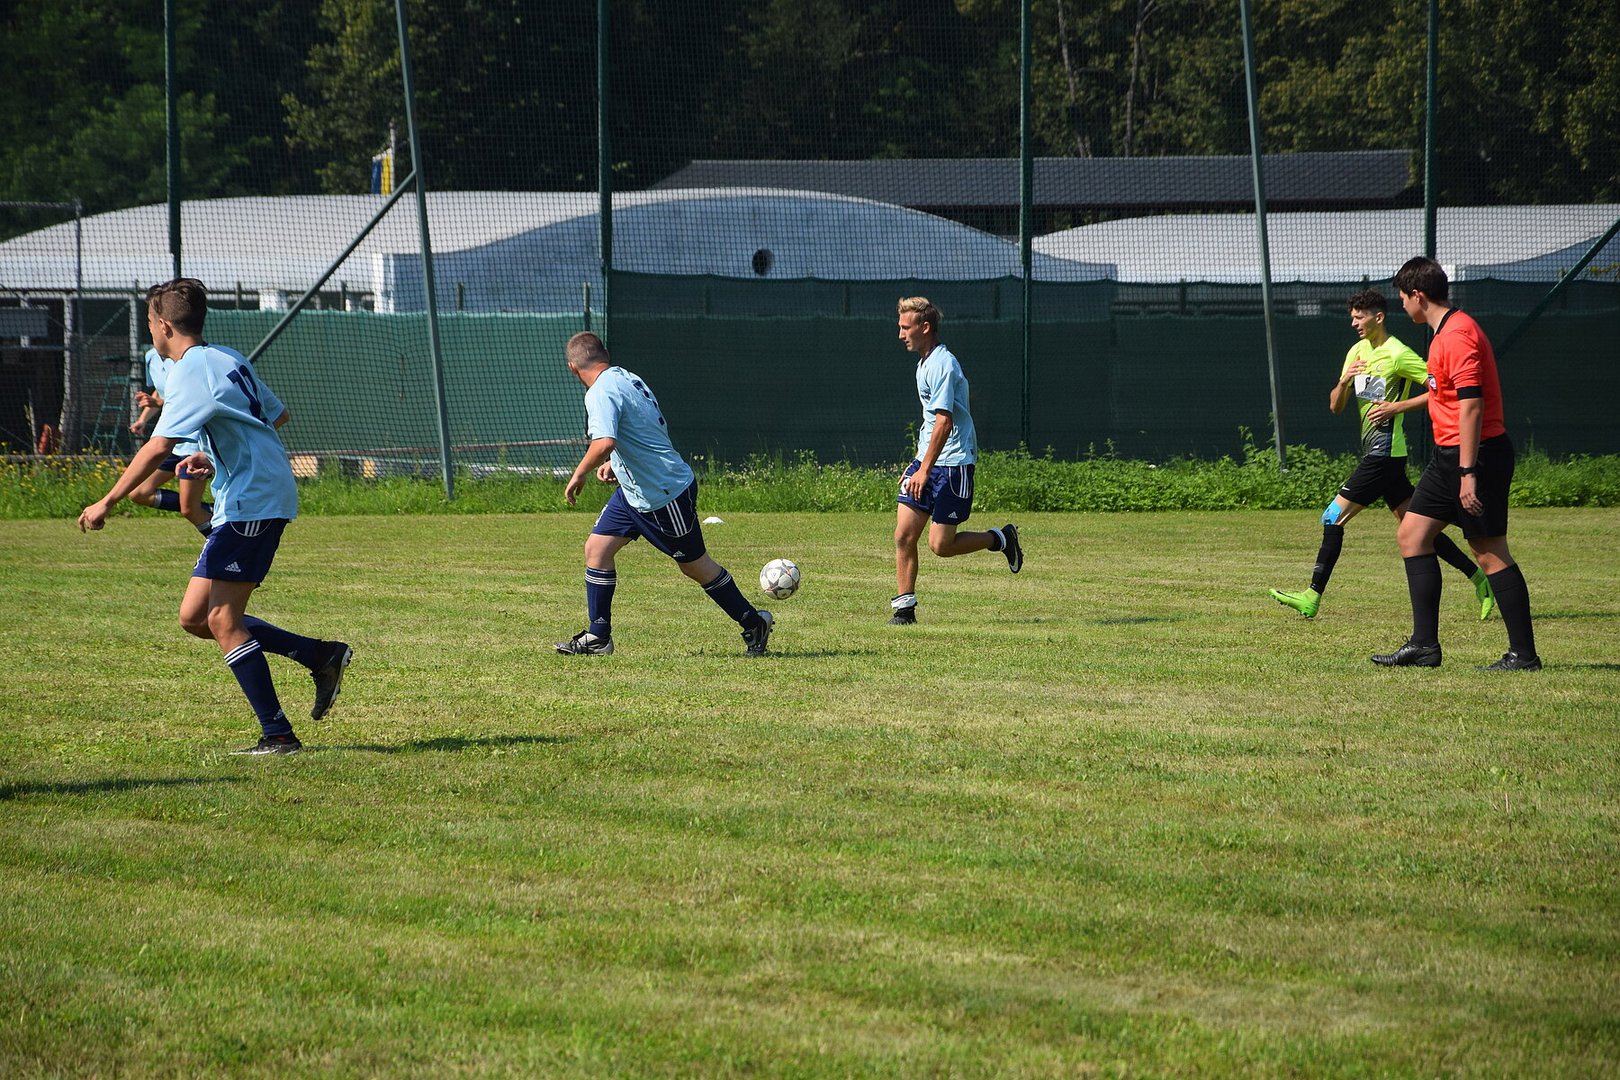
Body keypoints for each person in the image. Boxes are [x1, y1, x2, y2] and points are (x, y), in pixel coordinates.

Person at [78, 278, 352, 754]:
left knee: (223, 618)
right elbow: (275, 416)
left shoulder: (188, 370)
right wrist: (215, 451)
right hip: (247, 495)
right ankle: (318, 654)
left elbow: (158, 447)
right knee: (195, 617)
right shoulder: (225, 357)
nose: (150, 332)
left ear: (164, 325)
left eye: (150, 323)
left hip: (252, 500)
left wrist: (107, 501)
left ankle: (278, 734)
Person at [1269, 289, 1494, 620]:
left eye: (1359, 317)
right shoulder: (1357, 352)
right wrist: (1344, 381)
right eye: (1352, 318)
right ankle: (1480, 579)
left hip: (1384, 455)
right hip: (1380, 455)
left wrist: (1397, 407)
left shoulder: (1398, 354)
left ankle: (1312, 596)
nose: (1354, 323)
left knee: (1332, 517)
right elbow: (1335, 406)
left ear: (1379, 317)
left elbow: (1440, 390)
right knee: (1417, 527)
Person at [554, 331, 775, 656]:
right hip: (635, 493)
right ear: (606, 355)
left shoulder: (599, 392)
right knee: (597, 549)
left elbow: (604, 442)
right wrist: (617, 464)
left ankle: (753, 622)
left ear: (573, 368)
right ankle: (598, 637)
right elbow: (640, 429)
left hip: (663, 496)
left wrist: (579, 473)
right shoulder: (625, 378)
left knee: (695, 566)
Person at [1372, 257, 1540, 671]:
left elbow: (1472, 406)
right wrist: (1400, 407)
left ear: (1418, 295)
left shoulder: (1458, 335)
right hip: (1448, 455)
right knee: (1412, 534)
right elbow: (1441, 395)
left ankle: (1523, 655)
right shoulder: (1442, 334)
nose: (1402, 305)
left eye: (1403, 298)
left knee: (1489, 552)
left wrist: (1467, 473)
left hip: (1477, 456)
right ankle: (1424, 646)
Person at [889, 296, 1021, 625]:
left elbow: (944, 424)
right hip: (928, 462)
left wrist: (925, 469)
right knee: (904, 535)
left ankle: (1000, 538)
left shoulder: (943, 365)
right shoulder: (924, 363)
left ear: (925, 327)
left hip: (953, 465)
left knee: (941, 546)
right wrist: (917, 462)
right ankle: (904, 610)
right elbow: (930, 423)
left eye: (905, 328)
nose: (901, 334)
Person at [125, 345, 215, 535]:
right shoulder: (151, 356)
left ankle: (223, 544)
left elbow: (194, 401)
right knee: (139, 492)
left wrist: (158, 403)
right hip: (172, 445)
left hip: (194, 445)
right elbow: (161, 392)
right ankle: (216, 512)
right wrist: (143, 420)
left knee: (190, 510)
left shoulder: (192, 358)